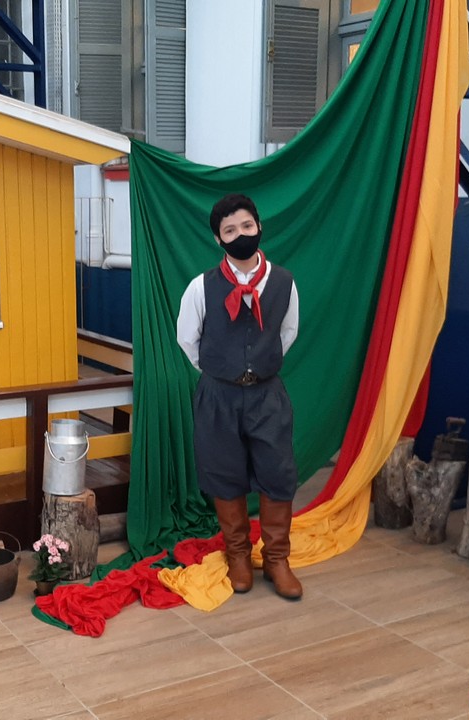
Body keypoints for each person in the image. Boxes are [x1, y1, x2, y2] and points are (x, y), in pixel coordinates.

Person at [176, 193, 302, 600]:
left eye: (247, 226)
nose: (240, 234)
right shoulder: (201, 287)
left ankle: (277, 559)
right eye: (230, 230)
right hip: (219, 395)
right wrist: (223, 371)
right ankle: (238, 557)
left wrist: (258, 366)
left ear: (259, 227)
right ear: (218, 239)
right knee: (224, 471)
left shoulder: (283, 282)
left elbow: (287, 333)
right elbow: (188, 341)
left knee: (277, 473)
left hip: (268, 394)